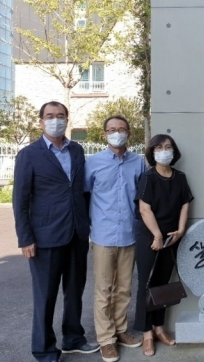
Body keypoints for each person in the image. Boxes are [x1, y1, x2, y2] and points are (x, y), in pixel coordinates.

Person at [13, 101, 99, 362]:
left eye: (60, 116)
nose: (55, 120)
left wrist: (86, 224)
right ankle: (44, 349)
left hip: (76, 234)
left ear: (67, 120)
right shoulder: (29, 154)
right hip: (44, 237)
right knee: (45, 295)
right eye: (50, 116)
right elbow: (20, 200)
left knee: (74, 291)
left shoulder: (76, 150)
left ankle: (73, 338)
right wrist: (25, 238)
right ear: (41, 121)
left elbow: (81, 191)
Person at [85, 115, 147, 362]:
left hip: (129, 234)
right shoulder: (93, 163)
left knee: (124, 288)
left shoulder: (138, 163)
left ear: (129, 133)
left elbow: (142, 199)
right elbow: (84, 195)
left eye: (121, 129)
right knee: (104, 289)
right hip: (103, 235)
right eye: (112, 129)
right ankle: (106, 340)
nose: (116, 133)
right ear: (104, 134)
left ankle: (121, 331)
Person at [133, 134, 193, 357]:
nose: (164, 151)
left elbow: (185, 204)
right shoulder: (148, 178)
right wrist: (157, 235)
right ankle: (147, 333)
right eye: (159, 147)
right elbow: (144, 209)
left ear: (174, 151)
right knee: (146, 284)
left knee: (162, 283)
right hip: (150, 235)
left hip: (172, 236)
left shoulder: (180, 177)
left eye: (168, 147)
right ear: (152, 152)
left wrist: (180, 230)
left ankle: (159, 328)